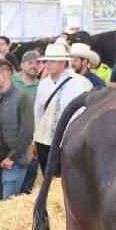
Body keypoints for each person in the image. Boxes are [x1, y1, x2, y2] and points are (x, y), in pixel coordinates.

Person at [34, 42, 93, 174]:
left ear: (63, 62)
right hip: (43, 140)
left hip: (68, 141)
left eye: (53, 61)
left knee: (67, 178)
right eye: (47, 61)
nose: (48, 64)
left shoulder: (81, 83)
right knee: (48, 177)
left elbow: (85, 114)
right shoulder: (43, 84)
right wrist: (35, 137)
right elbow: (37, 113)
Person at [0, 57, 35, 201]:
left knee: (8, 205)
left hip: (13, 163)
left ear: (5, 75)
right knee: (0, 205)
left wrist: (12, 158)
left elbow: (27, 131)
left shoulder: (22, 97)